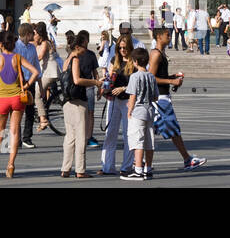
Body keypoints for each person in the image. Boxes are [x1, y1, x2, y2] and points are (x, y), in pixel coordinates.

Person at [147, 26, 207, 170]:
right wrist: (171, 81)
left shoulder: (161, 53)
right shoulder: (156, 54)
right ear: (159, 37)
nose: (169, 37)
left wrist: (173, 77)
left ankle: (143, 163)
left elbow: (158, 76)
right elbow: (150, 77)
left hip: (162, 97)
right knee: (172, 129)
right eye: (167, 35)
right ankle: (187, 159)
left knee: (156, 130)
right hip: (159, 99)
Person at [0, 31, 40, 179]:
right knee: (14, 132)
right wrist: (26, 85)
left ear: (0, 44)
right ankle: (10, 165)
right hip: (17, 97)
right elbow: (35, 72)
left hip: (2, 99)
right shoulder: (18, 58)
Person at [60, 31, 99, 178]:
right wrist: (95, 82)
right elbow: (77, 80)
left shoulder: (67, 60)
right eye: (84, 46)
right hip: (78, 101)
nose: (85, 49)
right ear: (77, 46)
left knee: (69, 137)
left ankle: (66, 168)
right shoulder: (76, 59)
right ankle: (80, 170)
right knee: (81, 136)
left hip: (67, 101)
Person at [100, 33, 135, 177]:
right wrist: (105, 83)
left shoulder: (134, 62)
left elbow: (136, 82)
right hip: (114, 100)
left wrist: (124, 88)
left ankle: (126, 166)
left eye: (124, 48)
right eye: (120, 48)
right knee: (110, 133)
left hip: (128, 101)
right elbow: (109, 78)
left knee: (128, 135)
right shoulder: (114, 60)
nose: (122, 50)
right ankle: (107, 166)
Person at [122, 48, 159, 181]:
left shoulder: (135, 76)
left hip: (138, 111)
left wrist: (129, 110)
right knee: (149, 141)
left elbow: (133, 95)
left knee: (138, 141)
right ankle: (148, 169)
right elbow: (155, 97)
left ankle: (138, 170)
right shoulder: (151, 76)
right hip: (149, 110)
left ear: (135, 61)